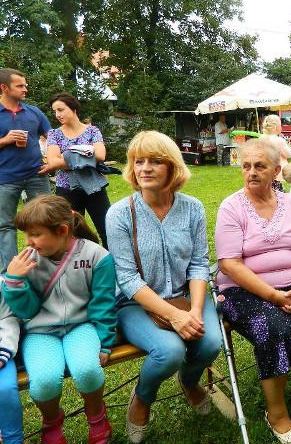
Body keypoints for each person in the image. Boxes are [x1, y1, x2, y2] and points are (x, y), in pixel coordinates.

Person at [215, 138, 291, 444]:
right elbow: (229, 263)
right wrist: (273, 296)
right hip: (244, 290)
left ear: (276, 170)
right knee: (272, 329)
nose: (251, 172)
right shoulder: (231, 207)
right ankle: (277, 414)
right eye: (246, 166)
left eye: (260, 166)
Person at [105, 131, 222, 443]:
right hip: (136, 303)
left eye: (155, 161)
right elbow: (127, 279)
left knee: (211, 343)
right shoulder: (119, 214)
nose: (144, 168)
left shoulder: (193, 208)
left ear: (172, 167)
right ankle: (143, 397)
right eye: (138, 161)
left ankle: (189, 381)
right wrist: (175, 316)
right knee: (169, 351)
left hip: (186, 295)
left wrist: (194, 310)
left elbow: (199, 264)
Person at [2, 195, 116, 443]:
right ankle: (51, 421)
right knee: (43, 381)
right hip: (40, 332)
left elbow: (103, 303)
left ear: (63, 230)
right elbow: (27, 311)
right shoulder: (28, 260)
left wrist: (105, 341)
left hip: (81, 326)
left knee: (87, 370)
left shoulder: (97, 256)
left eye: (35, 234)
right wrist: (14, 282)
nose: (28, 242)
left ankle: (96, 415)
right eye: (26, 235)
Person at [40, 93, 111, 248]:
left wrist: (66, 156)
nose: (57, 115)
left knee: (107, 230)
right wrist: (86, 156)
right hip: (66, 189)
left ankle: (111, 260)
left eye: (61, 110)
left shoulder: (92, 131)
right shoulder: (54, 134)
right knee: (72, 235)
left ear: (73, 109)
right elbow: (53, 162)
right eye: (55, 111)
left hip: (94, 187)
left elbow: (100, 155)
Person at [0, 68, 52, 271]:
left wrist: (52, 161)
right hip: (5, 178)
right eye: (20, 86)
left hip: (36, 175)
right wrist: (5, 140)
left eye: (25, 85)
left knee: (46, 219)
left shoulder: (34, 112)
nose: (25, 89)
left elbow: (52, 138)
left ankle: (47, 266)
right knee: (5, 225)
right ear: (4, 88)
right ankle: (9, 272)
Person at [0, 291, 22, 444]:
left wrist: (3, 353)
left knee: (6, 388)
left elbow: (8, 320)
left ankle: (13, 440)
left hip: (2, 352)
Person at [261, 114, 291, 191]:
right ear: (276, 127)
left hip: (264, 168)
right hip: (278, 170)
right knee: (279, 192)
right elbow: (289, 154)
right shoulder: (279, 140)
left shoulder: (261, 138)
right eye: (280, 124)